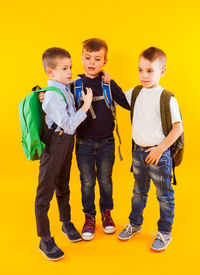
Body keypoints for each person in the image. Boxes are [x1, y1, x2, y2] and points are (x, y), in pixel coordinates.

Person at [118, 47, 183, 251]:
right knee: (138, 192)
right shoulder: (136, 92)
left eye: (149, 71)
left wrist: (160, 149)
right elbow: (117, 97)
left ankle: (165, 232)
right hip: (138, 152)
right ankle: (135, 224)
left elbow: (178, 128)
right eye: (140, 70)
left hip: (159, 155)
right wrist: (104, 79)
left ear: (162, 71)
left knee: (164, 196)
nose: (143, 75)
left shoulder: (167, 97)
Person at [35, 47, 92, 260]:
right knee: (44, 193)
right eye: (65, 68)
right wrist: (85, 107)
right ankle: (45, 239)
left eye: (70, 67)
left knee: (63, 184)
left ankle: (65, 222)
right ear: (50, 73)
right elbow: (68, 124)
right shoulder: (51, 96)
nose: (70, 72)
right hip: (55, 144)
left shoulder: (64, 87)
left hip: (67, 142)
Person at [72, 38, 130, 240]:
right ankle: (89, 217)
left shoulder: (108, 83)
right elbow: (61, 104)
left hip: (106, 143)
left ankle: (106, 213)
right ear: (81, 58)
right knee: (87, 182)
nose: (91, 62)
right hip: (83, 143)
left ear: (104, 62)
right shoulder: (74, 85)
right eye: (87, 58)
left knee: (105, 180)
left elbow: (126, 102)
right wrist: (43, 96)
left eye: (97, 59)